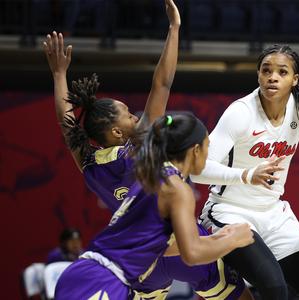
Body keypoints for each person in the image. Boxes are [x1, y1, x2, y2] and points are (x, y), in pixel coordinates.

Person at [44, 2, 260, 298]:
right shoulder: (140, 149)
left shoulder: (90, 165)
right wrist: (174, 29)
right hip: (179, 245)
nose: (136, 115)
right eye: (128, 115)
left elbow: (67, 124)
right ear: (117, 132)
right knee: (238, 295)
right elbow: (162, 82)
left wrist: (58, 75)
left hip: (142, 264)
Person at [192, 44, 299, 300]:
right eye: (266, 70)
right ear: (258, 75)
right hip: (230, 211)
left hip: (274, 213)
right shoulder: (240, 112)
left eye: (282, 72)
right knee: (275, 288)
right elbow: (197, 171)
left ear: (294, 79)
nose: (272, 77)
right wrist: (245, 175)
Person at [54, 113, 254, 299]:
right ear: (195, 150)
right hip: (103, 278)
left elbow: (162, 245)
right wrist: (234, 238)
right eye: (207, 146)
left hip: (91, 273)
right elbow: (191, 254)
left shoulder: (152, 176)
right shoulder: (176, 188)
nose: (209, 155)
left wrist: (220, 237)